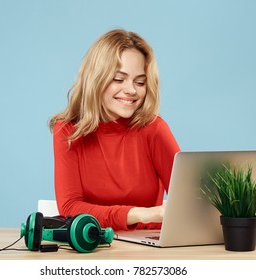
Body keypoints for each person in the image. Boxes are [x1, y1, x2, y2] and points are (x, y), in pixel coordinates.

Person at [49, 29, 180, 231]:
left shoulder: (154, 129)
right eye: (119, 79)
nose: (131, 90)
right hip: (92, 248)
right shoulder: (67, 130)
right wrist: (139, 214)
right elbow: (70, 208)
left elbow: (189, 204)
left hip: (147, 249)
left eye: (140, 82)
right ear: (96, 79)